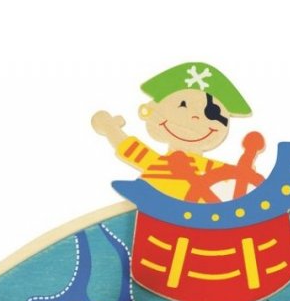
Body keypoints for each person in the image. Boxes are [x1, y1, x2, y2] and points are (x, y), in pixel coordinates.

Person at [92, 62, 263, 202]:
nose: (194, 117)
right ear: (152, 111)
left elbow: (236, 178)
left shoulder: (208, 169)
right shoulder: (156, 164)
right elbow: (127, 147)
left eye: (211, 113)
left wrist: (245, 173)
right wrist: (109, 128)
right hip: (154, 211)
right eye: (182, 105)